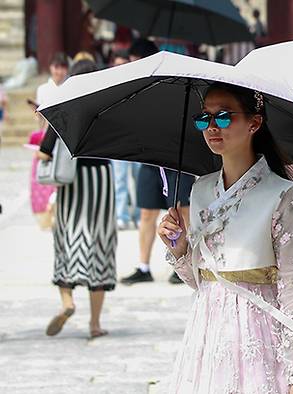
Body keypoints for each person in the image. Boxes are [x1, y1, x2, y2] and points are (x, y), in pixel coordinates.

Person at [158, 82, 293, 393]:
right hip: (208, 334)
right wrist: (180, 248)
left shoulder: (282, 194)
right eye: (203, 118)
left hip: (264, 332)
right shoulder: (201, 190)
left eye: (223, 117)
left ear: (255, 122)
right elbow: (203, 282)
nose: (211, 127)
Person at [38, 59, 117, 339]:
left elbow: (44, 152)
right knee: (100, 244)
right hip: (102, 183)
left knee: (69, 240)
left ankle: (68, 302)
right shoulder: (109, 109)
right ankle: (95, 324)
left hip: (74, 185)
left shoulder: (63, 111)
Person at [120, 39, 195, 285]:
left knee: (182, 211)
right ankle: (143, 266)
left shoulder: (171, 81)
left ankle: (184, 259)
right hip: (150, 158)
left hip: (176, 158)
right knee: (147, 212)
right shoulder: (134, 86)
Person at [109, 50, 141, 230]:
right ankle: (121, 215)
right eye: (117, 64)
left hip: (136, 138)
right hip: (118, 138)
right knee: (119, 179)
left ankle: (137, 214)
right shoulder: (110, 85)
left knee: (137, 177)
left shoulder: (137, 84)